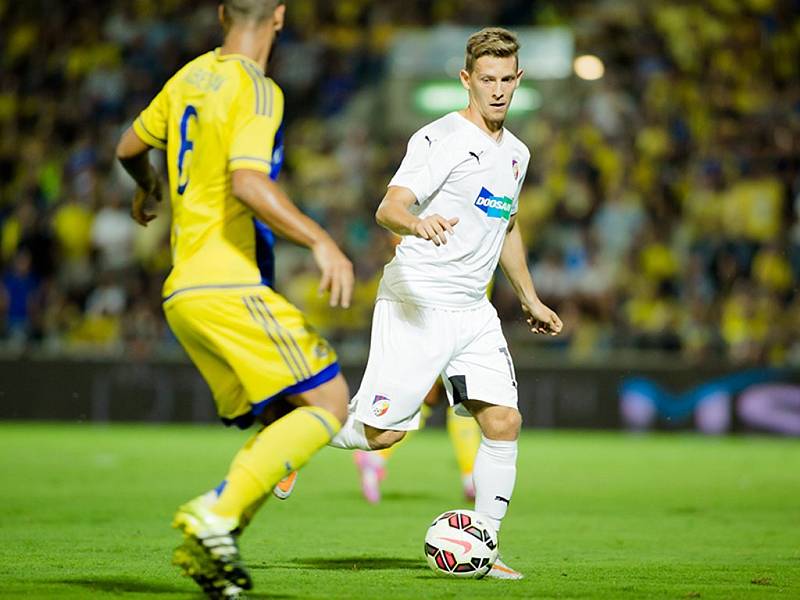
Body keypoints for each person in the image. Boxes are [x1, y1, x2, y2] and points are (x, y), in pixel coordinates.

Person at [115, 1, 354, 598]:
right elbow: (248, 182)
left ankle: (212, 549)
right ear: (279, 15)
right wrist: (323, 242)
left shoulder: (187, 77)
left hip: (183, 290)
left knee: (284, 418)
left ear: (223, 12)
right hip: (229, 283)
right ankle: (214, 517)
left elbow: (127, 148)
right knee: (329, 401)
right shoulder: (259, 89)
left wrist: (150, 190)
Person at [329, 27, 563, 580]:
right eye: (488, 80)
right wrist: (418, 221)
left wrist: (528, 297)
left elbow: (505, 225)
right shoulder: (439, 139)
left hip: (474, 311)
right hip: (420, 300)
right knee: (384, 434)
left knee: (504, 422)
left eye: (507, 79)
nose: (499, 90)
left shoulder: (518, 154)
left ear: (519, 80)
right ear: (467, 80)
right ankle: (296, 423)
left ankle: (485, 546)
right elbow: (388, 208)